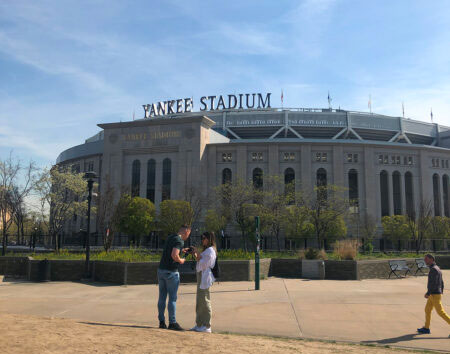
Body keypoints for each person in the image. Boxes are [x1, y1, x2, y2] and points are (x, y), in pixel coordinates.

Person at [157, 224, 191, 331]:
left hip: (161, 270)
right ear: (186, 232)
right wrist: (181, 260)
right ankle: (172, 322)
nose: (187, 237)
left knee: (162, 297)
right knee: (172, 298)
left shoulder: (171, 237)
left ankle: (162, 322)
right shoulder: (179, 241)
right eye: (188, 234)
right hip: (171, 272)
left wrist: (182, 250)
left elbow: (171, 250)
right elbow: (174, 255)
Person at [191, 231, 217, 333]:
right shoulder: (207, 250)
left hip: (205, 276)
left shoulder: (211, 250)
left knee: (205, 300)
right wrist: (196, 253)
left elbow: (204, 264)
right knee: (200, 300)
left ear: (209, 239)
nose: (202, 240)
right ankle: (199, 323)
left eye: (204, 238)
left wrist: (196, 254)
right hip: (202, 275)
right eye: (202, 238)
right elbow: (200, 260)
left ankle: (207, 325)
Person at [417, 254, 450, 334]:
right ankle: (426, 328)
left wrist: (428, 293)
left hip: (434, 294)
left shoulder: (434, 269)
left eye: (426, 259)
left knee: (440, 312)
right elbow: (441, 282)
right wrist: (441, 291)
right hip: (434, 293)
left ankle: (426, 328)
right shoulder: (437, 268)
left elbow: (433, 283)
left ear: (432, 259)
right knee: (427, 310)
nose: (425, 260)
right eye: (424, 259)